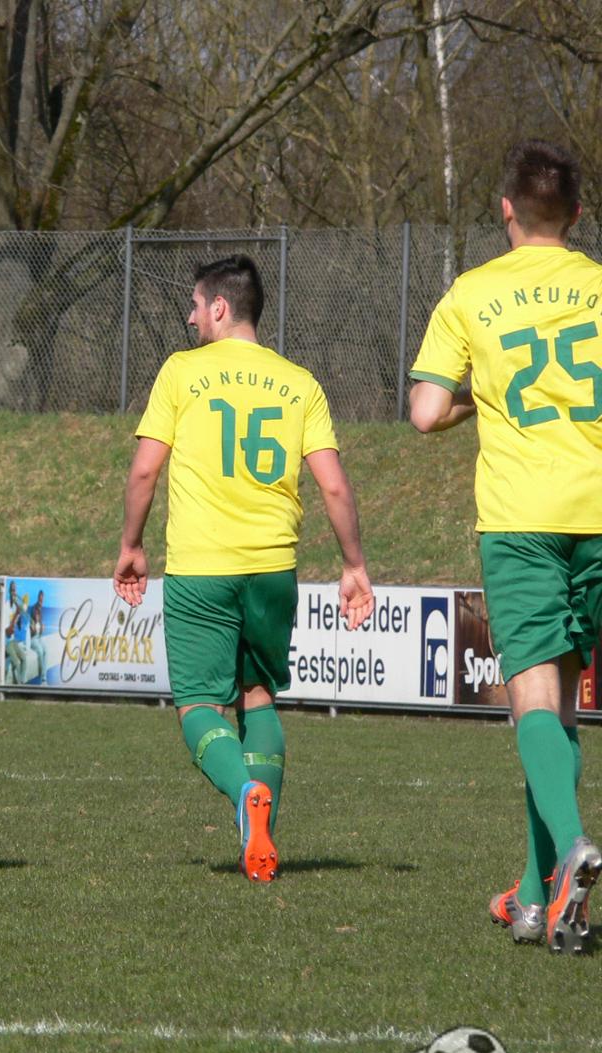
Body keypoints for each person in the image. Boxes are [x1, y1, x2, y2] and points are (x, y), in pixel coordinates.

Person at [114, 254, 372, 883]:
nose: (190, 317)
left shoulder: (182, 372)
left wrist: (131, 545)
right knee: (258, 698)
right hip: (273, 569)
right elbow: (334, 485)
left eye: (195, 305)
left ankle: (243, 794)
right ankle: (260, 842)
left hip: (202, 568)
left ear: (220, 307)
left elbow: (145, 470)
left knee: (198, 706)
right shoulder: (301, 383)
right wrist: (353, 564)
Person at [409, 139, 602, 953]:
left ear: (506, 211)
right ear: (578, 215)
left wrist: (478, 401)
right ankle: (532, 895)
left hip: (523, 518)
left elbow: (425, 412)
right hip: (597, 513)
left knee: (531, 702)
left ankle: (572, 851)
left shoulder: (473, 292)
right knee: (561, 708)